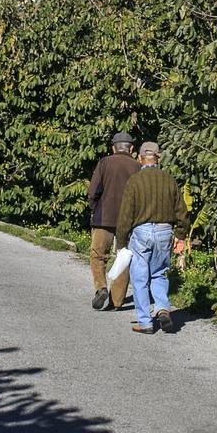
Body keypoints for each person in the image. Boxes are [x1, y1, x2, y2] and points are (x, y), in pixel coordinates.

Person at [115, 142, 189, 334]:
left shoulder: (134, 181)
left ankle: (145, 322)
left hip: (142, 232)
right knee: (159, 273)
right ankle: (162, 308)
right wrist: (180, 235)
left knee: (140, 279)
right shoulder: (169, 180)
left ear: (140, 159)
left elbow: (125, 215)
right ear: (159, 158)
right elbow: (181, 211)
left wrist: (121, 242)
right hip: (165, 231)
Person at [87, 132, 140, 310]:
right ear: (131, 148)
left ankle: (101, 287)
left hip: (103, 217)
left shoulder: (104, 163)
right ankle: (116, 301)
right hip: (128, 221)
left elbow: (93, 191)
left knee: (98, 255)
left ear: (113, 148)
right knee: (123, 258)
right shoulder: (138, 167)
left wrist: (94, 209)